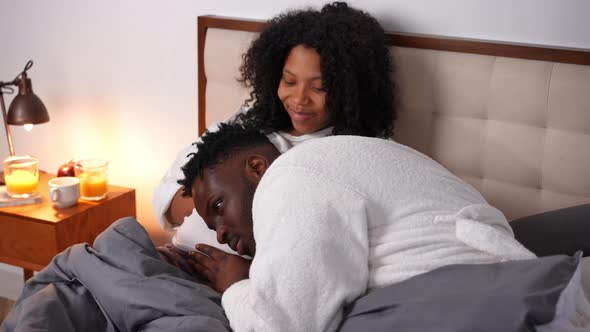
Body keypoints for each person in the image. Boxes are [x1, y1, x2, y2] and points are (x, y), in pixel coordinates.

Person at [179, 122, 536, 332]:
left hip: (465, 302)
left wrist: (236, 287)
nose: (221, 234)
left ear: (257, 168)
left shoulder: (290, 177)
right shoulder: (345, 158)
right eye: (213, 229)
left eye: (219, 206)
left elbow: (286, 326)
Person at [152, 1, 397, 256]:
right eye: (289, 81)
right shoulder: (244, 122)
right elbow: (166, 196)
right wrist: (214, 206)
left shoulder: (359, 153)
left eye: (319, 88)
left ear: (351, 91)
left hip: (237, 285)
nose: (300, 98)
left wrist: (223, 201)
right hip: (179, 258)